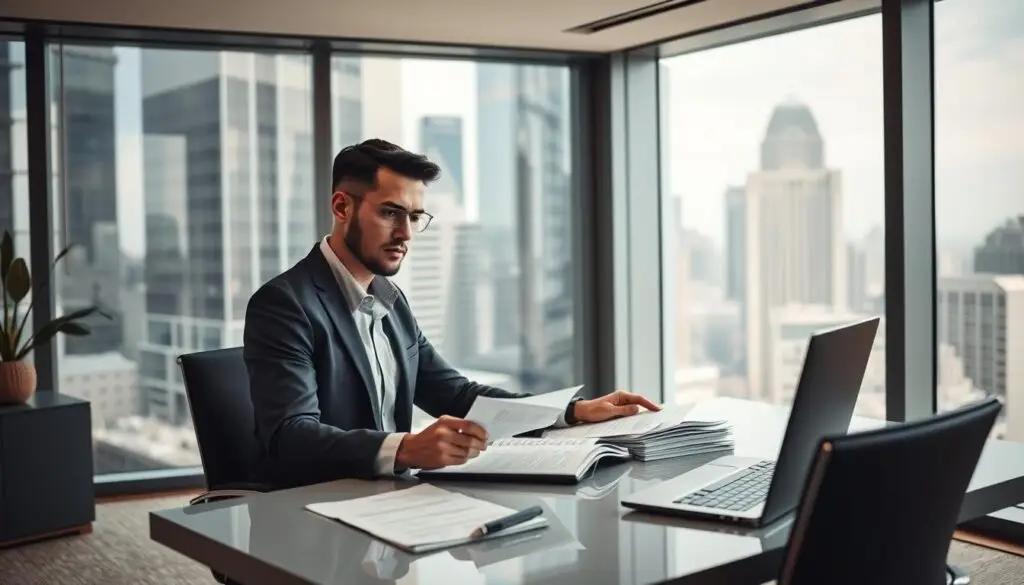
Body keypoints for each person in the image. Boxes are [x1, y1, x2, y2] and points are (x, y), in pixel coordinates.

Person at [243, 138, 659, 489]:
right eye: (390, 212)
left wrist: (571, 412)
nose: (405, 233)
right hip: (318, 505)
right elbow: (290, 437)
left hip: (390, 499)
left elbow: (456, 395)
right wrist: (406, 448)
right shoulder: (286, 304)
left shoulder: (392, 302)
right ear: (342, 207)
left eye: (414, 217)